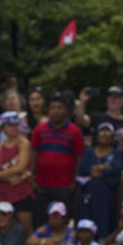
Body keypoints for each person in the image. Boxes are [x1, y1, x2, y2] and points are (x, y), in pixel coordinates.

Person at [30, 93, 84, 227]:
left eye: (59, 107)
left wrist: (74, 181)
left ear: (66, 110)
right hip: (42, 185)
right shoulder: (39, 129)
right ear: (48, 110)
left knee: (63, 222)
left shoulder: (75, 131)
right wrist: (32, 178)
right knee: (40, 221)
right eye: (52, 108)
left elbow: (79, 157)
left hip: (64, 186)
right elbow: (34, 154)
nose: (55, 110)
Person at [78, 122, 123, 238]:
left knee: (105, 222)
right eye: (102, 131)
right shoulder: (89, 151)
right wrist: (101, 169)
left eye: (107, 132)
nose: (104, 135)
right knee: (87, 219)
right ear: (97, 135)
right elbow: (82, 169)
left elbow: (117, 169)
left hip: (106, 195)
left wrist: (100, 170)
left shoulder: (116, 153)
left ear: (112, 136)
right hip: (88, 193)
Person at [0, 111, 35, 234]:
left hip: (21, 189)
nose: (14, 128)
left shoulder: (24, 143)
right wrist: (6, 177)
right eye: (10, 125)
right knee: (1, 227)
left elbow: (21, 167)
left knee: (25, 227)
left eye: (16, 125)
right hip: (3, 191)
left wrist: (0, 175)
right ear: (4, 127)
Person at [75, 85, 123, 160]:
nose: (112, 100)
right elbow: (81, 120)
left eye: (115, 97)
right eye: (110, 96)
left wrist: (121, 144)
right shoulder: (97, 117)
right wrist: (82, 101)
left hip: (116, 169)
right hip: (95, 165)